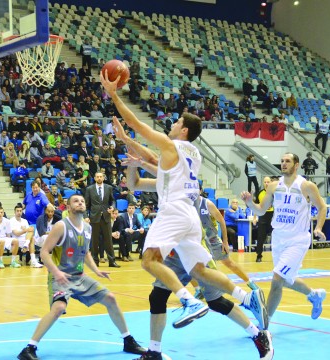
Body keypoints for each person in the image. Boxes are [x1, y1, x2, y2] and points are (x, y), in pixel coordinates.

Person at [101, 71, 267, 337]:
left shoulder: (173, 146)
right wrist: (128, 145)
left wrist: (113, 94)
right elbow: (155, 160)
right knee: (199, 269)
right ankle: (247, 297)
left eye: (177, 121)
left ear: (184, 129)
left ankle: (188, 300)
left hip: (175, 211)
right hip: (189, 216)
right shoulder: (192, 153)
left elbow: (135, 122)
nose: (173, 124)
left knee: (148, 260)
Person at [17, 195, 147, 360]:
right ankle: (29, 349)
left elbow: (86, 253)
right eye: (75, 201)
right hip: (60, 276)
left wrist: (96, 270)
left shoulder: (87, 228)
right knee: (57, 308)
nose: (80, 203)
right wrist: (56, 272)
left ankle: (128, 340)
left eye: (82, 201)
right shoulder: (61, 226)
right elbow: (43, 252)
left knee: (111, 298)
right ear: (69, 207)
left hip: (79, 276)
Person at [241, 153, 327, 329]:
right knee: (287, 280)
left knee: (277, 280)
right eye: (282, 161)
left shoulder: (306, 186)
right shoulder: (273, 187)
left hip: (297, 240)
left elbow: (322, 207)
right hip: (278, 239)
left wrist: (318, 227)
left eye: (287, 161)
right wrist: (250, 203)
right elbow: (260, 210)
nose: (283, 164)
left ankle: (264, 324)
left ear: (297, 165)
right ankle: (314, 295)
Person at [141, 248, 274, 360]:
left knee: (216, 302)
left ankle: (257, 332)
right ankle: (154, 351)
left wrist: (224, 241)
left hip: (193, 251)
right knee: (157, 297)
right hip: (175, 255)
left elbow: (217, 220)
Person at [194, 196, 257, 293]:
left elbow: (222, 221)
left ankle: (250, 282)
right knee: (188, 267)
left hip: (212, 240)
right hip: (197, 242)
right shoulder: (187, 204)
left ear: (199, 191)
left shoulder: (207, 204)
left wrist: (225, 241)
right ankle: (199, 290)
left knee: (229, 263)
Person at [84, 172, 119, 268]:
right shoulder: (89, 189)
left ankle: (112, 261)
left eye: (101, 176)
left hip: (106, 217)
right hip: (94, 218)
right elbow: (86, 205)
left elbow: (112, 200)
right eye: (97, 177)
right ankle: (95, 262)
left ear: (103, 178)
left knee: (108, 241)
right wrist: (86, 216)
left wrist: (112, 207)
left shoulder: (109, 187)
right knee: (94, 241)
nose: (99, 178)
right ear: (95, 178)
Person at [10, 203, 43, 268]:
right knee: (32, 239)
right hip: (16, 240)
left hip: (25, 239)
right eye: (17, 211)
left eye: (20, 211)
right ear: (14, 212)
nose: (19, 212)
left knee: (32, 233)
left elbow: (29, 230)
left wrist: (26, 230)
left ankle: (32, 259)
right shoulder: (11, 221)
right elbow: (16, 233)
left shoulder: (24, 221)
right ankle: (33, 261)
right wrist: (25, 230)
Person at [255, 177, 276, 263]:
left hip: (273, 216)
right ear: (263, 183)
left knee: (276, 237)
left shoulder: (275, 193)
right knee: (261, 237)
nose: (267, 183)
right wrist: (255, 217)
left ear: (271, 182)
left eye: (268, 182)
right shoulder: (260, 193)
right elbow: (256, 206)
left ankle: (279, 255)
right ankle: (259, 255)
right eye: (265, 182)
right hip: (263, 216)